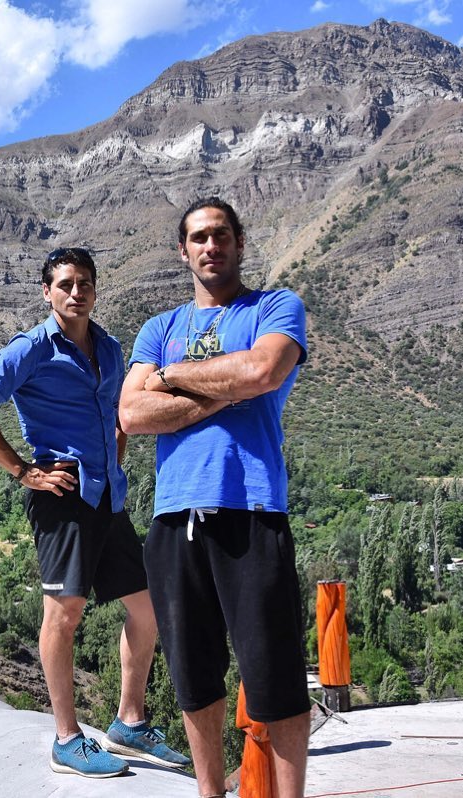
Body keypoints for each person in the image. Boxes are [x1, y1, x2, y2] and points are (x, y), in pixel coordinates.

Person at [0, 247, 190, 778]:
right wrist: (24, 471)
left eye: (84, 282)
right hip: (60, 498)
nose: (75, 291)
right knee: (65, 615)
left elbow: (122, 413)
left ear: (95, 289)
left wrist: (115, 456)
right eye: (65, 284)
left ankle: (129, 723)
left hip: (108, 496)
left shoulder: (108, 346)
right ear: (47, 292)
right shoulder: (33, 348)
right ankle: (66, 739)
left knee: (148, 607)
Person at [119, 197, 311, 798]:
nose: (211, 245)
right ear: (183, 251)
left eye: (221, 235)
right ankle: (209, 793)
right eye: (199, 237)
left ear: (239, 243)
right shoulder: (160, 328)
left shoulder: (275, 307)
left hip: (251, 510)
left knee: (274, 676)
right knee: (195, 676)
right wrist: (229, 386)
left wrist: (172, 377)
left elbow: (263, 373)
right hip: (175, 519)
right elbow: (130, 411)